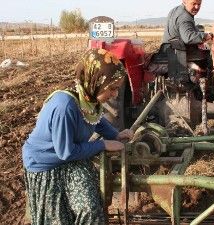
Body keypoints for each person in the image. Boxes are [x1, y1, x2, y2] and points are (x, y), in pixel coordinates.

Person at [22, 49, 134, 225]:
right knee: (59, 219)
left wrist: (116, 134)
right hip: (46, 165)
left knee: (90, 209)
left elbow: (94, 118)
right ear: (96, 81)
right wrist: (103, 145)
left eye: (116, 89)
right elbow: (65, 152)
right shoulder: (64, 107)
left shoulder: (89, 98)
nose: (115, 94)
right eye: (112, 89)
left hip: (71, 158)